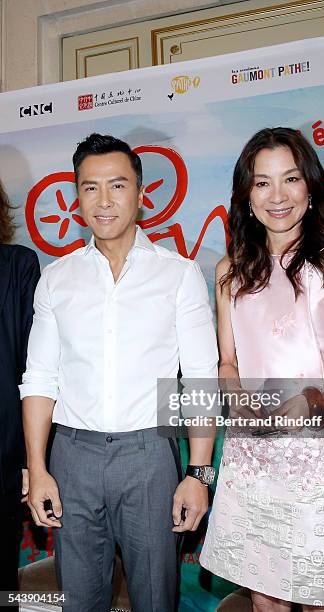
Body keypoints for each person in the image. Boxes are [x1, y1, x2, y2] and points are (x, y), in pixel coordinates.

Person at [21, 133, 218, 612]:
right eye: (90, 188)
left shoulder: (179, 273)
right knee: (78, 602)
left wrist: (198, 473)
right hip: (72, 458)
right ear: (76, 195)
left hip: (150, 456)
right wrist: (39, 467)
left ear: (140, 193)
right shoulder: (56, 277)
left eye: (117, 185)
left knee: (155, 598)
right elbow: (40, 377)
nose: (103, 201)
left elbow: (199, 378)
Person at [200, 127, 324, 611]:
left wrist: (317, 398)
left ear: (310, 187)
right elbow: (229, 359)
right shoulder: (230, 270)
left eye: (290, 179)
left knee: (319, 602)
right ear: (246, 196)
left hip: (322, 464)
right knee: (265, 600)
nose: (278, 195)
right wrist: (237, 399)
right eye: (262, 183)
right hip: (253, 461)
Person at [0, 179, 40, 608]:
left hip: (4, 458)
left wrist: (33, 459)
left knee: (3, 585)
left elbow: (34, 369)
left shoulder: (17, 266)